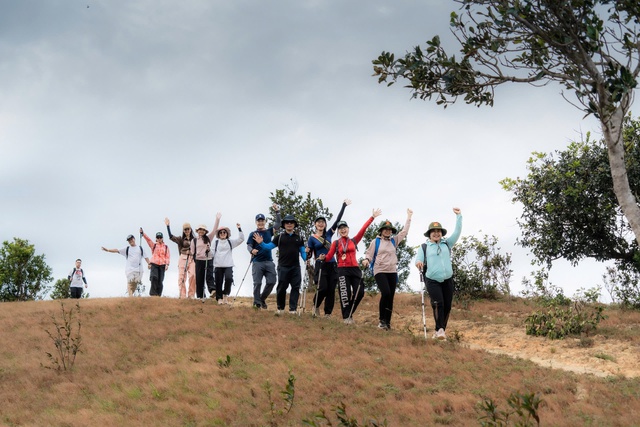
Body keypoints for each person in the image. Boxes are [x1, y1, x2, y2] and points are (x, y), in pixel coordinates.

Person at [320, 208, 382, 324]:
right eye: (340, 229)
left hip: (355, 269)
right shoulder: (336, 243)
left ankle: (349, 313)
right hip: (342, 270)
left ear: (348, 229)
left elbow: (363, 229)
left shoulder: (354, 240)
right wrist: (323, 258)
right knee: (345, 293)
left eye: (344, 228)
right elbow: (329, 256)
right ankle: (346, 318)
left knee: (360, 292)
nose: (343, 230)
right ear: (338, 231)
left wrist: (372, 217)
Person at [415, 208, 463, 340]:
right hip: (432, 280)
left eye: (438, 231)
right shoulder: (424, 247)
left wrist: (459, 216)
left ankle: (440, 331)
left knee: (447, 306)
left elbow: (457, 232)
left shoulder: (447, 243)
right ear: (429, 234)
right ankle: (440, 330)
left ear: (441, 233)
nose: (436, 233)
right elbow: (418, 259)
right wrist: (419, 262)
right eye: (433, 232)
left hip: (447, 279)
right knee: (438, 303)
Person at [361, 209, 413, 330]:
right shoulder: (376, 241)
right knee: (386, 293)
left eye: (389, 230)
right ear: (381, 230)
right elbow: (369, 254)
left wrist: (409, 217)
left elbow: (404, 232)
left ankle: (387, 323)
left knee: (391, 296)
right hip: (379, 270)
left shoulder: (394, 241)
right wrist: (366, 260)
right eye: (385, 229)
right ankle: (381, 320)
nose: (387, 231)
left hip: (392, 271)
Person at [306, 199, 351, 317]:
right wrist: (308, 253)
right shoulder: (312, 238)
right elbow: (309, 254)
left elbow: (337, 220)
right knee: (323, 288)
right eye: (318, 222)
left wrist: (343, 206)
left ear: (325, 224)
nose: (321, 224)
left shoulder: (329, 234)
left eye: (323, 222)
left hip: (332, 264)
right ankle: (315, 305)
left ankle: (327, 313)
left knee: (331, 290)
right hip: (321, 264)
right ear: (315, 224)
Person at [254, 214, 307, 314]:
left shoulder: (299, 238)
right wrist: (261, 243)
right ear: (284, 225)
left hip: (295, 267)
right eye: (287, 222)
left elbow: (302, 251)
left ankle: (293, 309)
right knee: (282, 287)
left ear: (294, 224)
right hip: (283, 267)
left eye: (291, 222)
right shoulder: (279, 237)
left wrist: (306, 259)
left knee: (295, 287)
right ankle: (280, 308)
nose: (289, 224)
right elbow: (268, 247)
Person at [247, 204, 281, 309]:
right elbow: (249, 245)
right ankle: (257, 303)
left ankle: (261, 299)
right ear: (256, 222)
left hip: (269, 261)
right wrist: (252, 250)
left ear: (265, 222)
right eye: (259, 221)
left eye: (262, 220)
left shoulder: (269, 231)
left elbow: (278, 224)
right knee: (257, 283)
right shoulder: (253, 233)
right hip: (257, 261)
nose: (260, 222)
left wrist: (277, 212)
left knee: (272, 282)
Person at [212, 223, 245, 304]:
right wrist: (207, 251)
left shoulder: (230, 242)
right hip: (218, 265)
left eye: (224, 232)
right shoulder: (215, 243)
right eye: (221, 232)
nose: (222, 234)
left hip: (228, 265)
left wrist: (239, 229)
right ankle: (219, 298)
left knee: (229, 279)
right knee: (218, 282)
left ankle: (225, 295)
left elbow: (241, 239)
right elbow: (211, 253)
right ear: (218, 234)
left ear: (227, 234)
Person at [191, 213, 221, 299]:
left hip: (208, 258)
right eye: (200, 229)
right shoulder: (194, 240)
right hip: (199, 260)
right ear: (197, 231)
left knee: (209, 276)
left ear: (205, 231)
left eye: (203, 230)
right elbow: (192, 251)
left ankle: (212, 290)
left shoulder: (208, 238)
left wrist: (217, 219)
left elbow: (215, 230)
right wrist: (195, 258)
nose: (201, 231)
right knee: (199, 279)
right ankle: (200, 296)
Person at [165, 218, 196, 298]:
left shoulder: (195, 239)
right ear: (183, 230)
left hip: (192, 258)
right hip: (183, 257)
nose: (187, 231)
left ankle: (191, 294)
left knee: (192, 275)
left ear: (190, 229)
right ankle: (182, 295)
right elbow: (171, 237)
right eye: (185, 230)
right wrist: (168, 226)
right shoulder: (180, 239)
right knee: (182, 277)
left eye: (188, 229)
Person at [141, 228, 171, 297]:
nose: (159, 238)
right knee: (154, 278)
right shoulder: (154, 245)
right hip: (154, 263)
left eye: (160, 237)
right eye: (158, 237)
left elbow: (167, 256)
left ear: (162, 238)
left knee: (160, 281)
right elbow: (148, 240)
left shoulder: (166, 247)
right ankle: (153, 294)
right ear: (156, 238)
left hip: (162, 265)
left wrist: (167, 264)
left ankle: (158, 295)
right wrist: (143, 233)